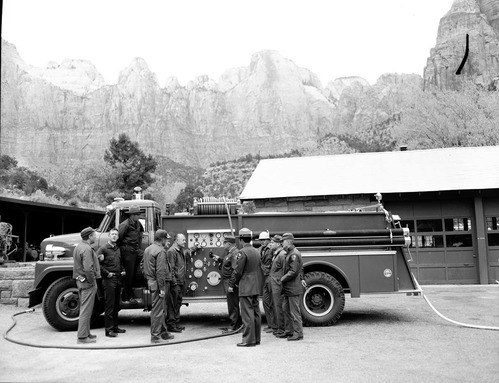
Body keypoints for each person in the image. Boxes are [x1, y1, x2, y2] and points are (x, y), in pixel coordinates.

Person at [229, 228, 262, 347]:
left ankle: (248, 340)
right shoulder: (256, 251)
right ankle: (257, 338)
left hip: (246, 286)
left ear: (241, 239)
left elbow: (238, 271)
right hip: (255, 284)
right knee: (256, 313)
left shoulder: (242, 252)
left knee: (247, 314)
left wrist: (232, 284)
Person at [142, 229, 174, 344]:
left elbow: (142, 265)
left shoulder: (148, 249)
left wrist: (148, 277)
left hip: (151, 282)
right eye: (167, 239)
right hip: (158, 283)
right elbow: (160, 271)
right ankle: (155, 336)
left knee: (160, 309)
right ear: (163, 239)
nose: (167, 241)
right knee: (157, 311)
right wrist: (161, 288)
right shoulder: (160, 251)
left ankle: (163, 332)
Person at [73, 227, 101, 344]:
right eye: (94, 235)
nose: (96, 237)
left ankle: (86, 333)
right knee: (86, 310)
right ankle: (82, 337)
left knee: (87, 309)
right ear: (90, 237)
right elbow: (88, 269)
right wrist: (92, 281)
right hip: (87, 283)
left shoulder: (79, 247)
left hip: (81, 281)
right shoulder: (87, 249)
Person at [97, 228, 126, 338]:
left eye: (116, 234)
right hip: (109, 280)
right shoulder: (103, 249)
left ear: (118, 237)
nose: (114, 236)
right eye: (112, 234)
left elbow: (120, 262)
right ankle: (108, 330)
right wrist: (107, 273)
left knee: (116, 305)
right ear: (109, 236)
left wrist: (123, 269)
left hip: (118, 279)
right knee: (109, 306)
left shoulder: (117, 249)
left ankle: (115, 327)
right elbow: (96, 263)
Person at [212, 235, 242, 332]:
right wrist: (220, 259)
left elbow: (235, 270)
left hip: (230, 281)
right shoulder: (230, 253)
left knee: (233, 304)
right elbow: (227, 263)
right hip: (227, 281)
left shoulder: (235, 253)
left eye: (224, 243)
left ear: (228, 244)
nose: (223, 245)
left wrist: (231, 284)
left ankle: (235, 326)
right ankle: (233, 324)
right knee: (231, 304)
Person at [278, 232, 304, 341]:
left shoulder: (294, 254)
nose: (281, 244)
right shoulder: (289, 253)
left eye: (283, 242)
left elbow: (293, 271)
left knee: (294, 312)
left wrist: (282, 279)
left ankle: (298, 334)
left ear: (288, 242)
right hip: (288, 288)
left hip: (292, 288)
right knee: (286, 309)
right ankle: (289, 331)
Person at [118, 205, 144, 304]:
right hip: (128, 250)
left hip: (135, 249)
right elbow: (119, 239)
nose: (139, 216)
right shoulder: (125, 225)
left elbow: (141, 232)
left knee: (146, 255)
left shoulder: (138, 223)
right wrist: (123, 251)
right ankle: (127, 296)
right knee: (129, 275)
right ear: (132, 215)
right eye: (137, 214)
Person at [166, 233, 188, 333]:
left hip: (180, 282)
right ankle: (171, 324)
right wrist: (174, 282)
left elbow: (188, 252)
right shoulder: (172, 251)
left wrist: (195, 247)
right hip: (175, 283)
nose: (185, 241)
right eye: (183, 240)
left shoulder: (180, 251)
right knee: (172, 304)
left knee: (178, 303)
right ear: (176, 241)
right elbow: (171, 268)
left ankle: (176, 323)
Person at [269, 235, 287, 337]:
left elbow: (285, 270)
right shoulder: (277, 254)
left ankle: (282, 329)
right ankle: (279, 328)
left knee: (280, 307)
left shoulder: (282, 255)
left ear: (279, 243)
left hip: (278, 284)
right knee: (276, 306)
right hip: (275, 283)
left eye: (273, 242)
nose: (270, 244)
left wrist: (281, 282)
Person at [259, 230, 275, 333]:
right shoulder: (261, 249)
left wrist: (260, 263)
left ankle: (273, 325)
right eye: (261, 240)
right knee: (265, 302)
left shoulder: (270, 250)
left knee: (271, 302)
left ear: (268, 240)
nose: (262, 242)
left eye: (264, 240)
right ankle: (270, 324)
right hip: (265, 278)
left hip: (269, 277)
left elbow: (267, 266)